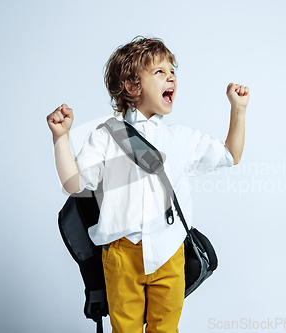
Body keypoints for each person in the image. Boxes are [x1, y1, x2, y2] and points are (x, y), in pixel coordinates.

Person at [47, 36, 249, 333]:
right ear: (131, 86)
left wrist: (238, 110)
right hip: (121, 254)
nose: (171, 76)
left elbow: (231, 154)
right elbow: (74, 184)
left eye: (172, 71)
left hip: (169, 252)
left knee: (165, 330)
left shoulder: (180, 138)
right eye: (159, 72)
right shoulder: (105, 137)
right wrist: (61, 139)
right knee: (124, 330)